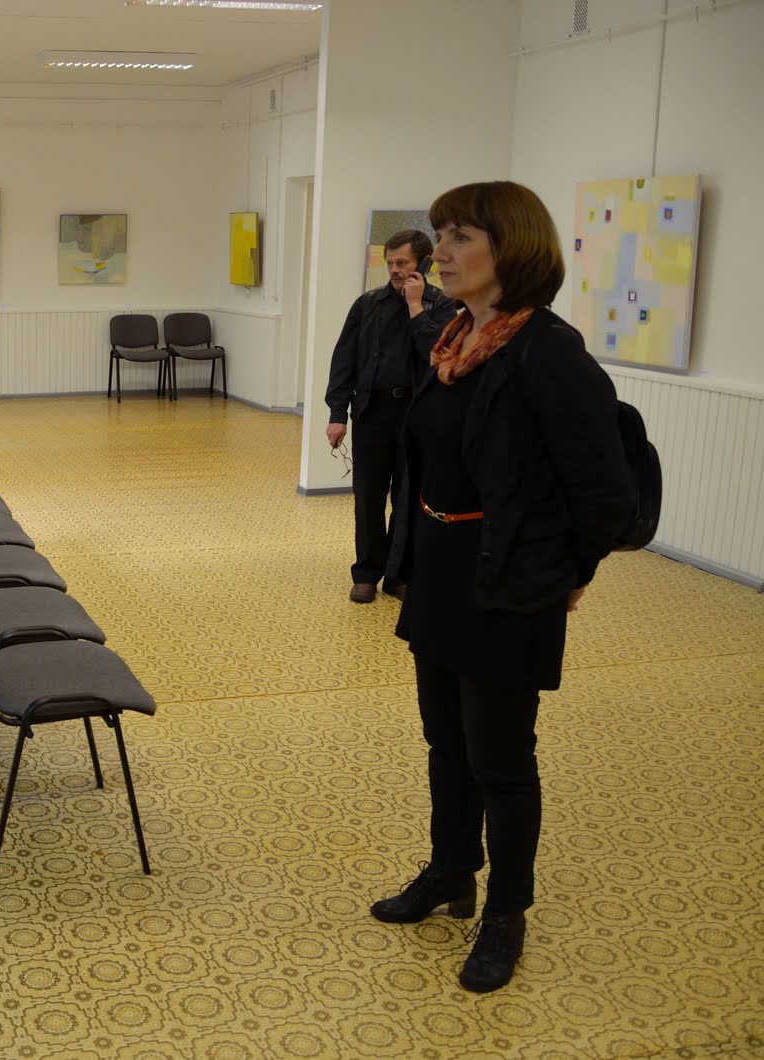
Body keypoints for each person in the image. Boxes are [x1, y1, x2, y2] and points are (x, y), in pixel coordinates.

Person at [371, 181, 634, 992]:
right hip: (441, 572)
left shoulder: (548, 353)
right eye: (440, 235)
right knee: (445, 740)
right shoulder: (454, 339)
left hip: (508, 582)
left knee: (502, 760)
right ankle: (452, 869)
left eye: (460, 237)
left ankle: (505, 914)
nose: (440, 253)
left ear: (510, 247)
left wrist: (569, 574)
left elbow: (606, 495)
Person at [325, 230, 458, 604]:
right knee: (368, 496)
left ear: (424, 264)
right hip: (373, 412)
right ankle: (367, 572)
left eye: (403, 263)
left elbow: (437, 353)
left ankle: (398, 575)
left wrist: (416, 306)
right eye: (390, 263)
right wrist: (337, 414)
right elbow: (344, 360)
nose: (395, 270)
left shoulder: (442, 306)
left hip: (418, 416)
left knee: (408, 497)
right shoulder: (367, 305)